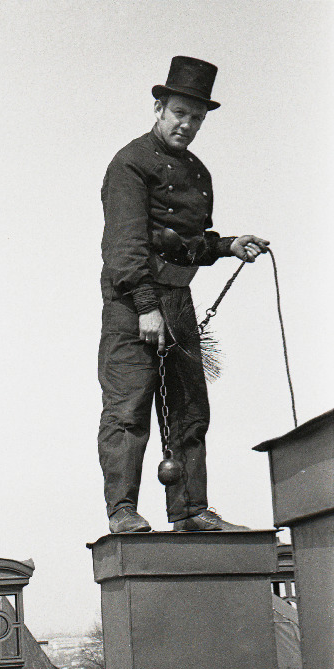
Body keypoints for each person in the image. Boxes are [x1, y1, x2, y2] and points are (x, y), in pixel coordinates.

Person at [98, 55, 269, 534]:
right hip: (132, 304)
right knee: (128, 410)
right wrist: (146, 308)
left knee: (190, 411)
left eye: (197, 118)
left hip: (179, 302)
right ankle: (123, 512)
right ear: (158, 107)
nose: (188, 125)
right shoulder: (129, 163)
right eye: (179, 114)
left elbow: (189, 243)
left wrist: (227, 246)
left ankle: (191, 511)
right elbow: (125, 246)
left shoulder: (196, 171)